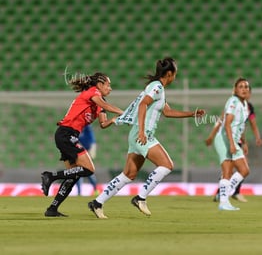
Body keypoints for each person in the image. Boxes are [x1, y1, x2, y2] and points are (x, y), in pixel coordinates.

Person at [88, 57, 205, 219]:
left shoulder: (158, 89)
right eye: (175, 74)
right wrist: (142, 131)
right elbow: (143, 104)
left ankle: (97, 203)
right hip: (142, 135)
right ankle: (140, 198)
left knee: (128, 174)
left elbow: (168, 112)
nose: (175, 77)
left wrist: (192, 114)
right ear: (169, 74)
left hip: (139, 134)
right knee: (167, 165)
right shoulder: (156, 87)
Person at [40, 72, 124, 217]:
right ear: (99, 84)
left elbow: (103, 123)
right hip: (66, 134)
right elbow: (104, 104)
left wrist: (114, 120)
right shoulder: (93, 92)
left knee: (72, 177)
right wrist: (124, 112)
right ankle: (51, 176)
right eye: (108, 84)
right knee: (89, 169)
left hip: (68, 135)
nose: (110, 88)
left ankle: (52, 209)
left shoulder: (98, 103)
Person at [206, 86, 262, 202]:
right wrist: (212, 135)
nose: (246, 93)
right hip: (229, 138)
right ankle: (225, 193)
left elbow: (248, 124)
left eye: (248, 91)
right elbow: (222, 120)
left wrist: (248, 141)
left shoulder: (248, 107)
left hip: (238, 139)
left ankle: (230, 192)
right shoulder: (233, 103)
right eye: (242, 89)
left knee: (240, 169)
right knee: (231, 170)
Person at [212, 77, 251, 211]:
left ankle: (224, 194)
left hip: (234, 140)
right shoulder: (233, 101)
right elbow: (227, 123)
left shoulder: (245, 106)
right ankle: (223, 202)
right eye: (241, 86)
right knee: (227, 171)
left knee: (245, 170)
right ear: (235, 89)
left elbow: (241, 126)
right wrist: (232, 144)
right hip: (224, 139)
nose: (244, 89)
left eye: (246, 87)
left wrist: (244, 142)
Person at [76, 124, 99, 196]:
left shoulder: (86, 127)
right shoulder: (76, 130)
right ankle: (80, 192)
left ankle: (95, 189)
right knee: (80, 171)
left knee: (86, 170)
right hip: (82, 150)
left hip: (90, 149)